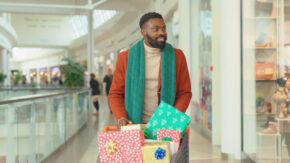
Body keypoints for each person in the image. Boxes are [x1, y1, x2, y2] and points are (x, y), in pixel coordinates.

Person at [108, 12, 192, 129]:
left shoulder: (177, 56)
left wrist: (172, 118)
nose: (162, 33)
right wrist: (121, 117)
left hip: (168, 126)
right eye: (155, 29)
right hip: (134, 126)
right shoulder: (126, 57)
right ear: (143, 32)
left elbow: (184, 92)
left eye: (163, 28)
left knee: (168, 148)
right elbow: (115, 93)